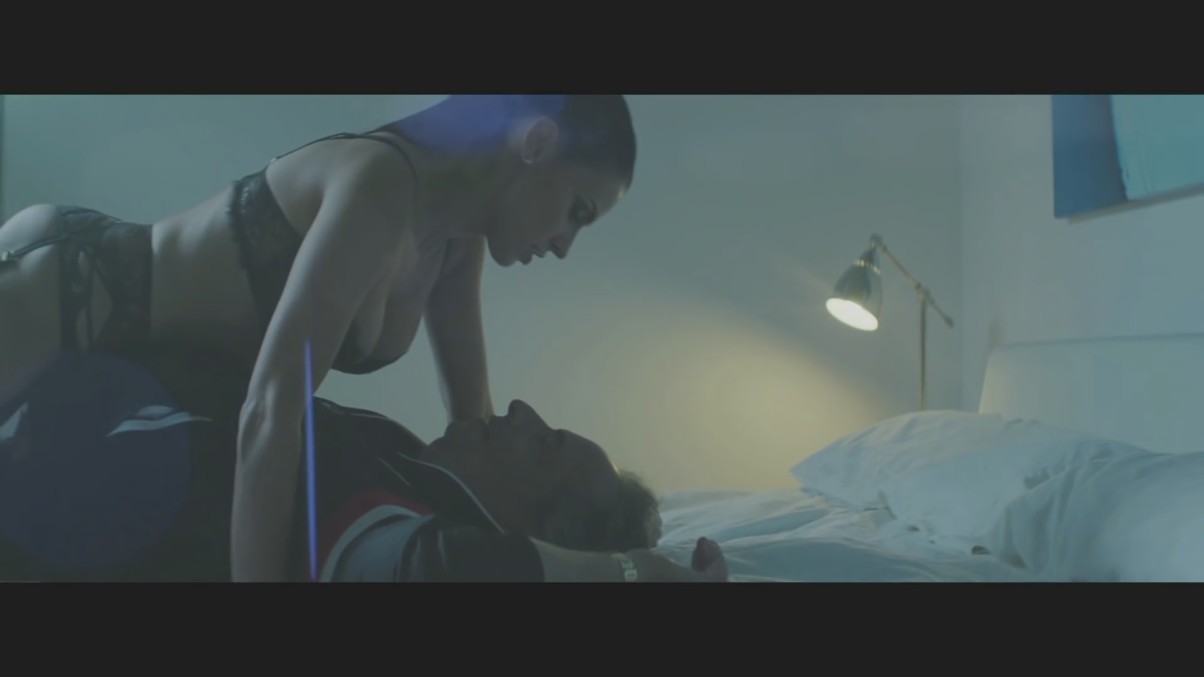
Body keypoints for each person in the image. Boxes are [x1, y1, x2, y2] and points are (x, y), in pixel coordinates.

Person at [0, 95, 638, 581]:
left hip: (121, 367)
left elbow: (475, 435)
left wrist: (590, 559)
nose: (564, 245)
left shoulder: (454, 245)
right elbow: (271, 411)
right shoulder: (379, 185)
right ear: (536, 142)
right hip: (66, 294)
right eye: (578, 211)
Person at [0, 348, 726, 582]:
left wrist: (632, 574)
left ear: (530, 530)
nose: (521, 410)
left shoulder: (400, 517)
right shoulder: (399, 449)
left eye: (545, 444)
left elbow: (438, 567)